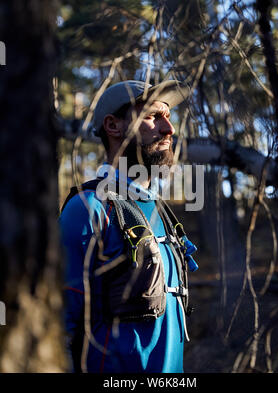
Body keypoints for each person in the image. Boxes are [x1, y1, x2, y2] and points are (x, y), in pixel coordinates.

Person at [59, 80, 198, 373]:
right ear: (113, 126)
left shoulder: (166, 217)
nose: (168, 129)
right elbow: (59, 331)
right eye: (152, 116)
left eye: (168, 117)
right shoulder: (87, 209)